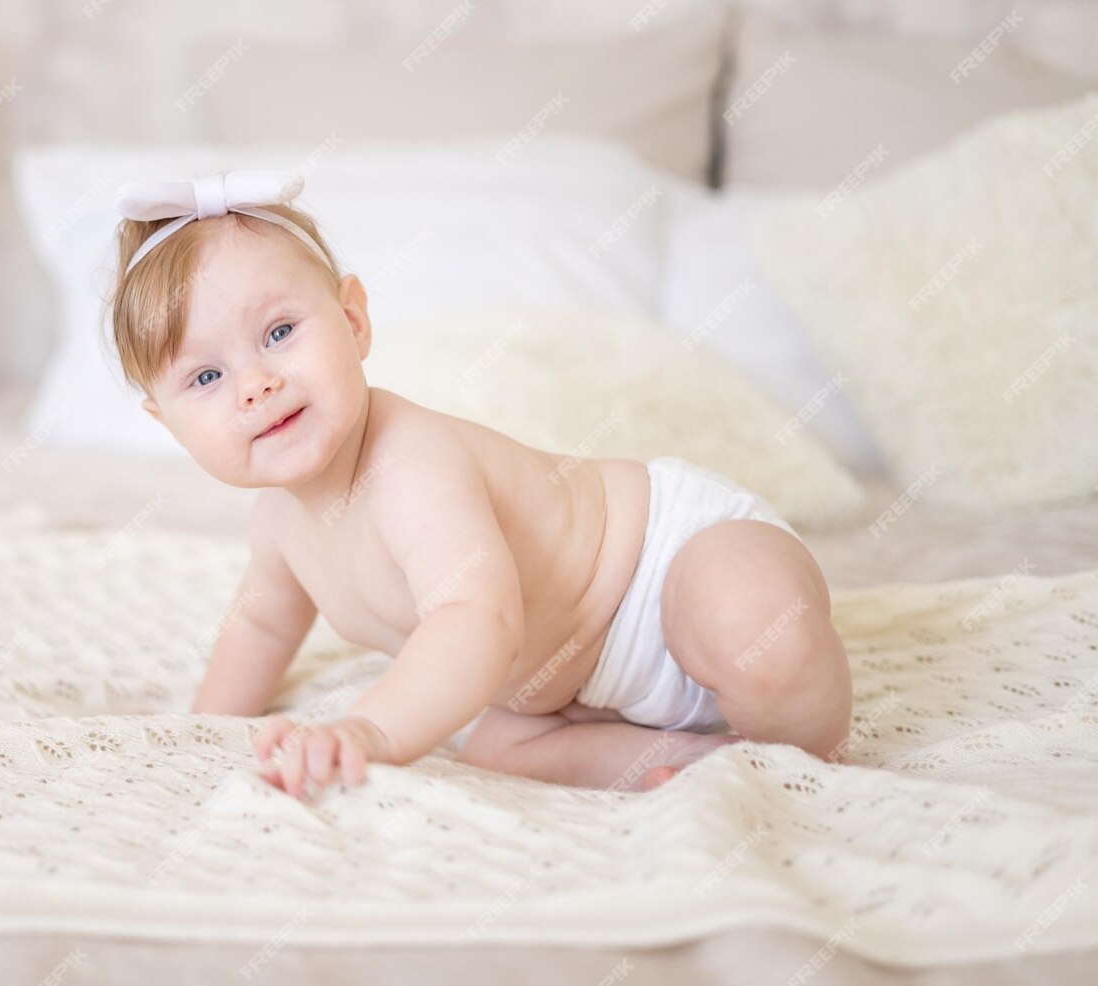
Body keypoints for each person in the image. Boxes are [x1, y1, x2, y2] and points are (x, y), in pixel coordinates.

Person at [107, 171, 852, 802]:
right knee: (494, 749)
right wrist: (204, 737)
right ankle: (692, 764)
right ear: (165, 421)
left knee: (751, 627)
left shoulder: (410, 462)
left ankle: (808, 765)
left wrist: (369, 728)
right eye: (206, 377)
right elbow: (261, 627)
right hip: (568, 687)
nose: (257, 384)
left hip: (666, 567)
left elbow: (476, 619)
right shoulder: (278, 525)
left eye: (278, 333)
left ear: (353, 319)